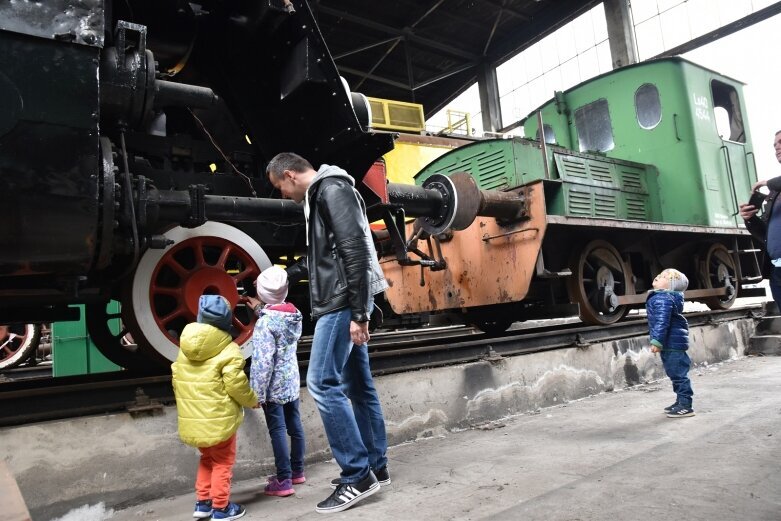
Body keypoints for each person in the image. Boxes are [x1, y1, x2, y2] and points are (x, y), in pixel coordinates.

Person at [266, 152, 390, 514]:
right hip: (344, 297)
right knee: (357, 385)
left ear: (289, 175)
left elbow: (353, 251)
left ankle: (357, 475)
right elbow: (327, 255)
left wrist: (358, 312)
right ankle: (376, 466)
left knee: (322, 382)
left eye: (280, 188)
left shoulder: (330, 190)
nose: (283, 196)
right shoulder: (327, 193)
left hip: (341, 302)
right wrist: (288, 274)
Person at [171, 295, 259, 521]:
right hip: (220, 420)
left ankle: (203, 503)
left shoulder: (184, 348)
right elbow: (236, 384)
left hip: (194, 419)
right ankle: (221, 508)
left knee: (207, 460)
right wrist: (252, 401)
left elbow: (177, 379)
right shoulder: (229, 350)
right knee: (222, 462)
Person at [244, 266, 306, 498]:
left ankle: (283, 479)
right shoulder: (293, 314)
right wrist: (261, 309)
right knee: (295, 425)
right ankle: (297, 471)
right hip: (291, 381)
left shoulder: (264, 324)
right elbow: (276, 317)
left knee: (278, 429)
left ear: (261, 292)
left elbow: (262, 363)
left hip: (273, 387)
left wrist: (256, 394)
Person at [739, 129, 781, 312]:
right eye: (774, 145)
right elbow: (765, 233)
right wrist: (750, 219)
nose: (777, 147)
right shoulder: (774, 194)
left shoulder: (773, 186)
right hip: (777, 270)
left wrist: (766, 182)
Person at [646, 268, 695, 418]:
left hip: (672, 344)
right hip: (671, 343)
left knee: (679, 375)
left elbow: (662, 322)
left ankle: (686, 406)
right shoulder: (665, 297)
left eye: (662, 277)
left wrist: (657, 341)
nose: (657, 276)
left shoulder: (663, 299)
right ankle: (680, 401)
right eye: (659, 274)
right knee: (675, 374)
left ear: (670, 286)